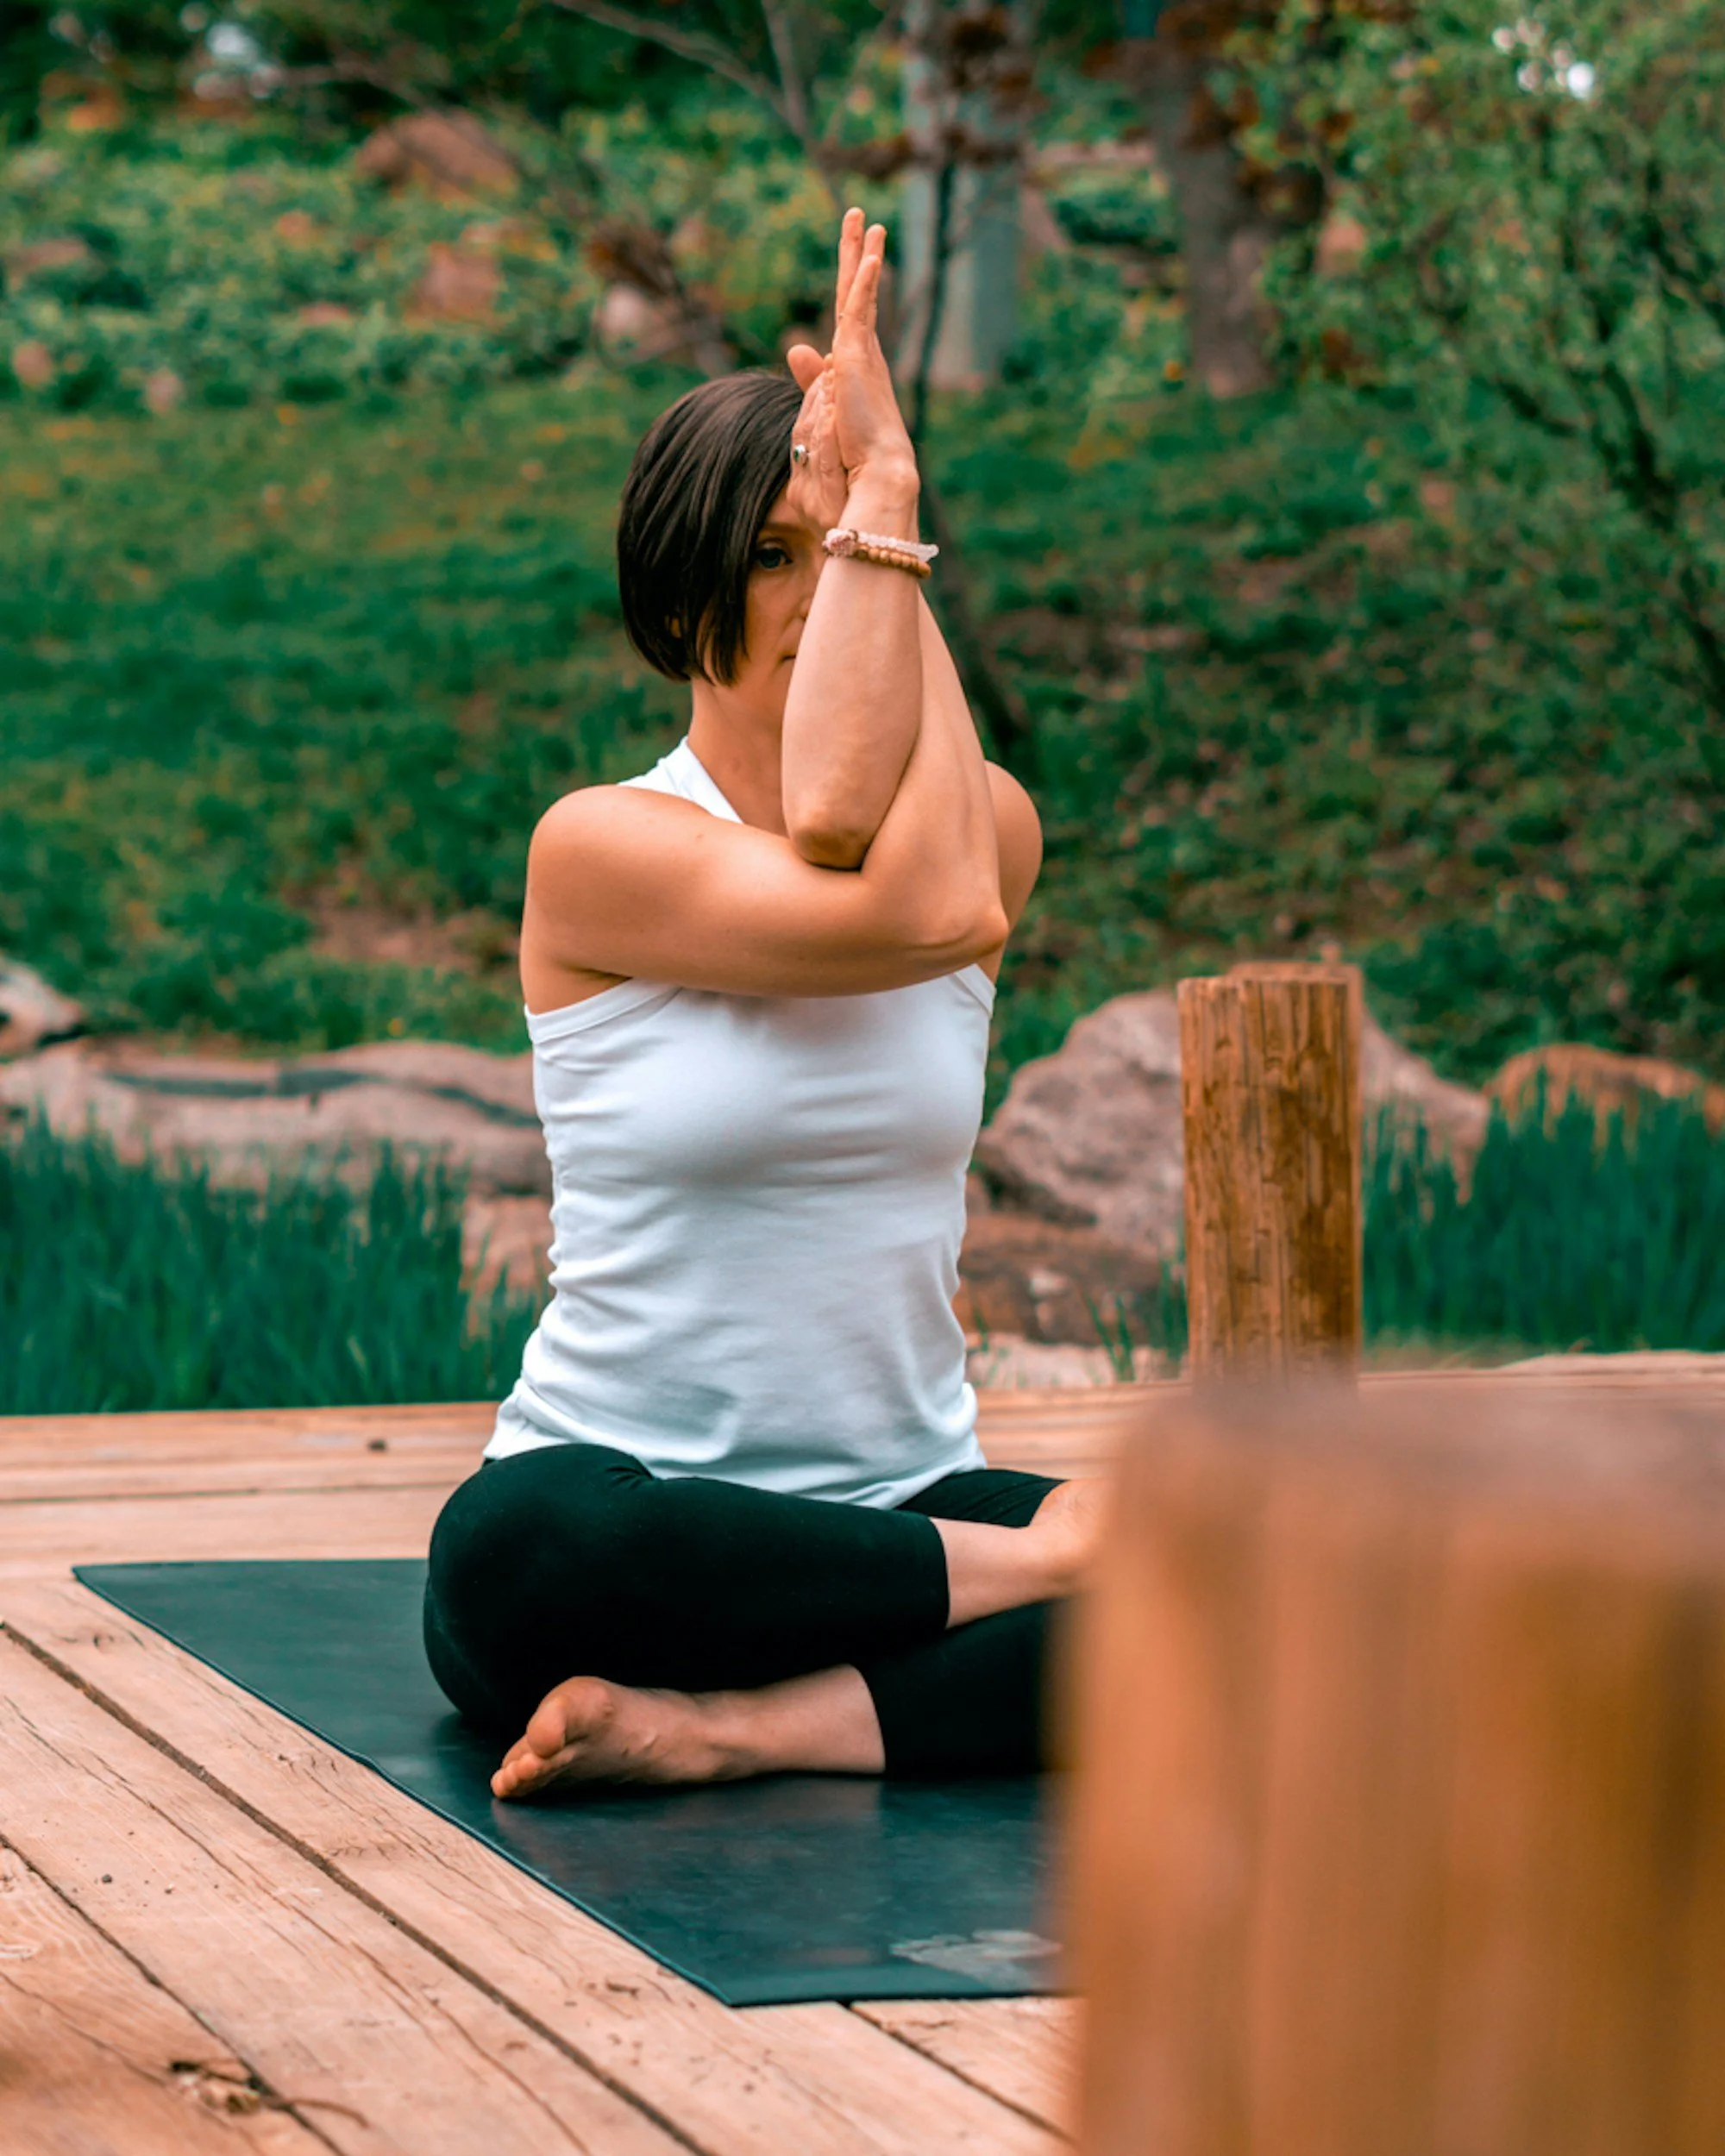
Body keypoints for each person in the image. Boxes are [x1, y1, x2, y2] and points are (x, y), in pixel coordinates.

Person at [423, 210, 1100, 1799]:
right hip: (633, 1524)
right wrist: (1057, 1548)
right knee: (527, 1549)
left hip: (895, 1505)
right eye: (773, 555)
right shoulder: (600, 851)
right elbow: (911, 908)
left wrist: (891, 491)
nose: (815, 591)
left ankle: (724, 1734)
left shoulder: (985, 823)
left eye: (840, 549)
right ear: (683, 591)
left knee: (1255, 1596)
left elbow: (931, 875)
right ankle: (1021, 1582)